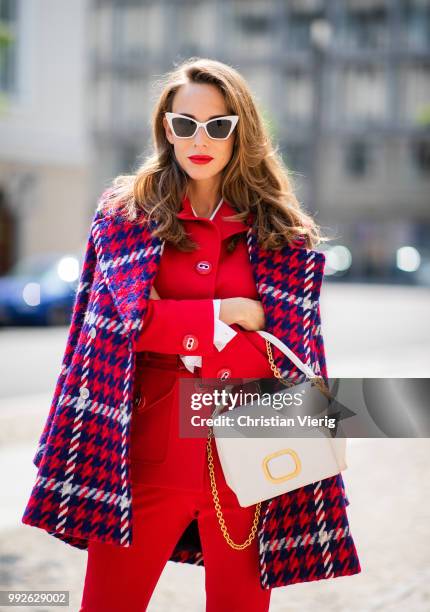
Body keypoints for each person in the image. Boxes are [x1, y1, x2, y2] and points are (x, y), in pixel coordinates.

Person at [22, 57, 361, 612]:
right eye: (184, 124)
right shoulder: (125, 217)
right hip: (146, 455)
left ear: (240, 133)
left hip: (254, 454)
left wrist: (168, 320)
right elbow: (111, 331)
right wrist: (221, 316)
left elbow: (296, 353)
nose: (199, 139)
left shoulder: (281, 230)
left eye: (218, 126)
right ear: (166, 129)